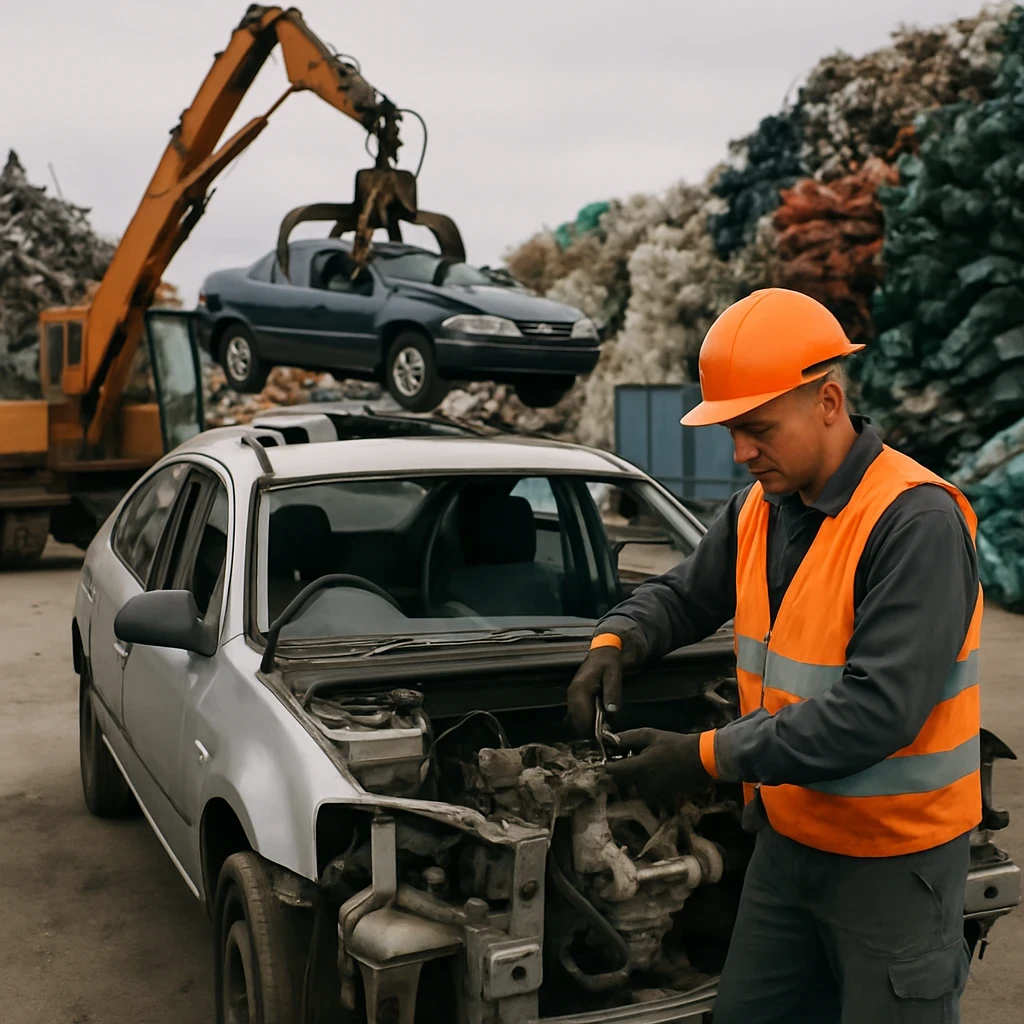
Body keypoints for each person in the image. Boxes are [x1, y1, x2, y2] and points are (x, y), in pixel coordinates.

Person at [567, 288, 982, 1023]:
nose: (739, 452)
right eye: (732, 431)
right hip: (788, 848)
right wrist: (616, 640)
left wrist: (705, 756)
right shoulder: (761, 507)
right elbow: (687, 595)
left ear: (828, 402)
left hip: (893, 864)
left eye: (757, 429)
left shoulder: (913, 521)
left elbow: (875, 712)